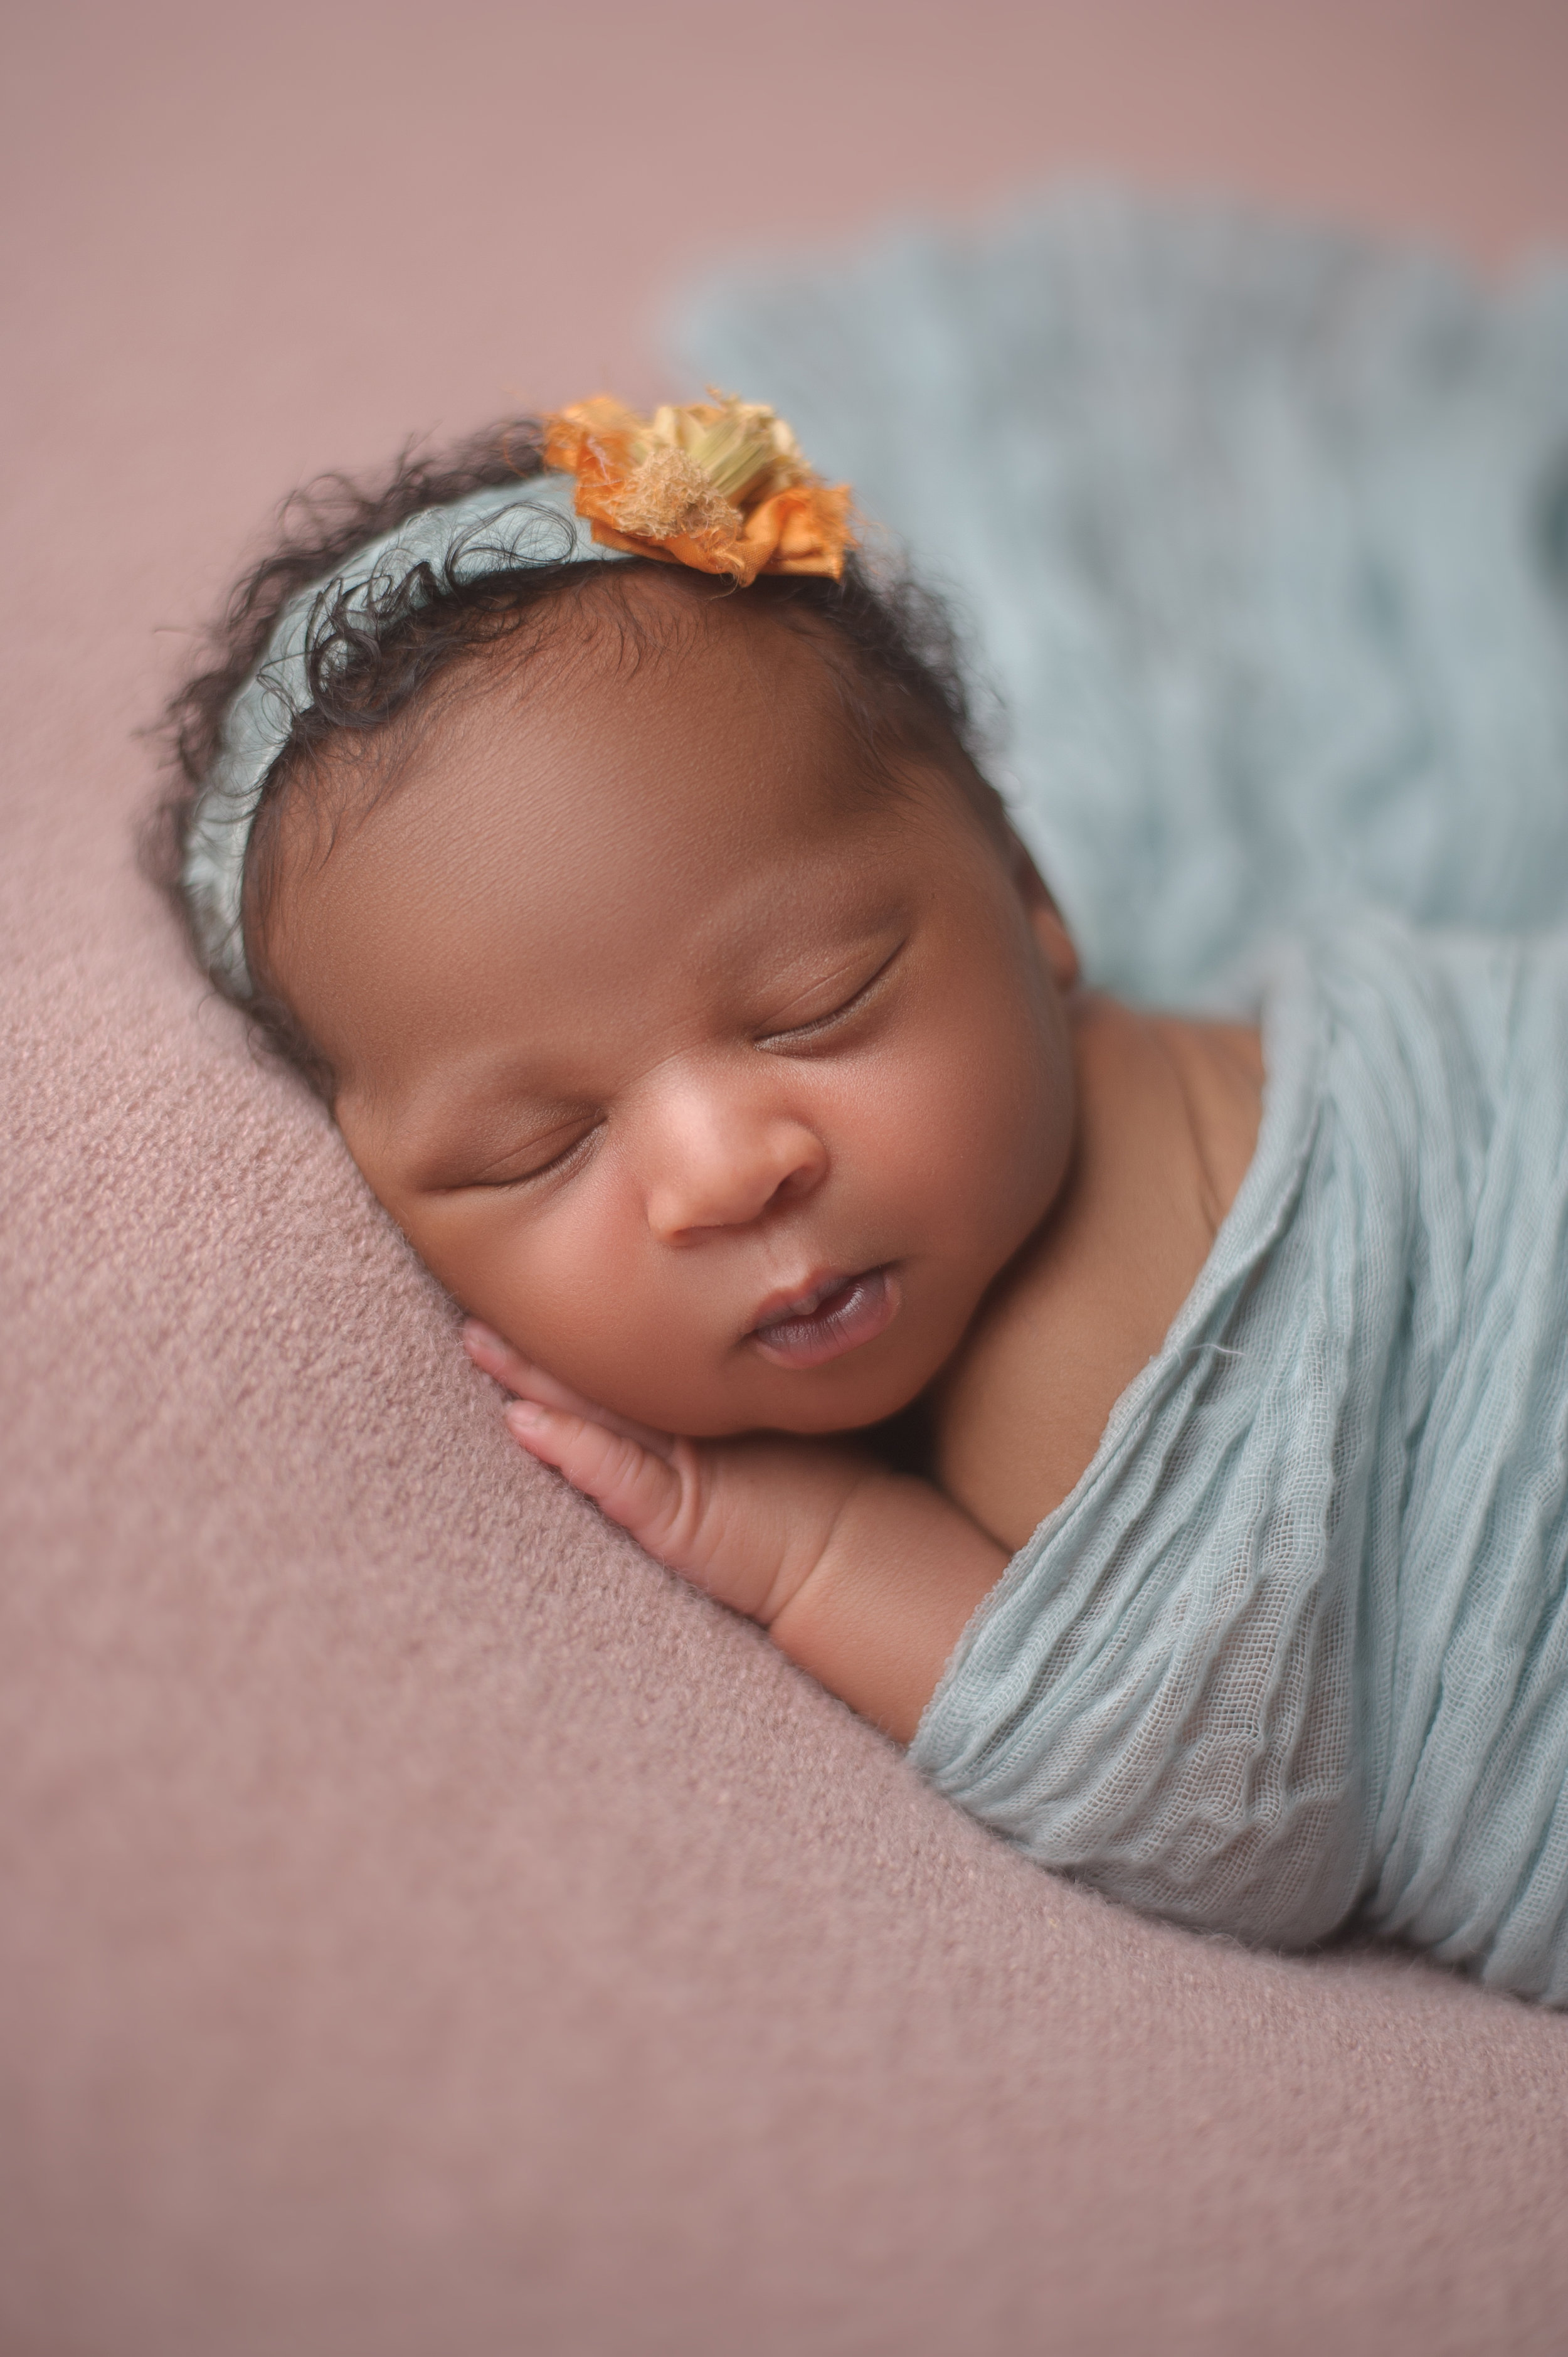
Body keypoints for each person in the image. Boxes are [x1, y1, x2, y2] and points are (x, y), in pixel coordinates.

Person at [155, 396, 1568, 2003]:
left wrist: (811, 1555)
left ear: (1033, 901)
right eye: (534, 1150)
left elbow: (1246, 1824)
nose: (724, 1169)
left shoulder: (1073, 1360)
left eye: (817, 1001)